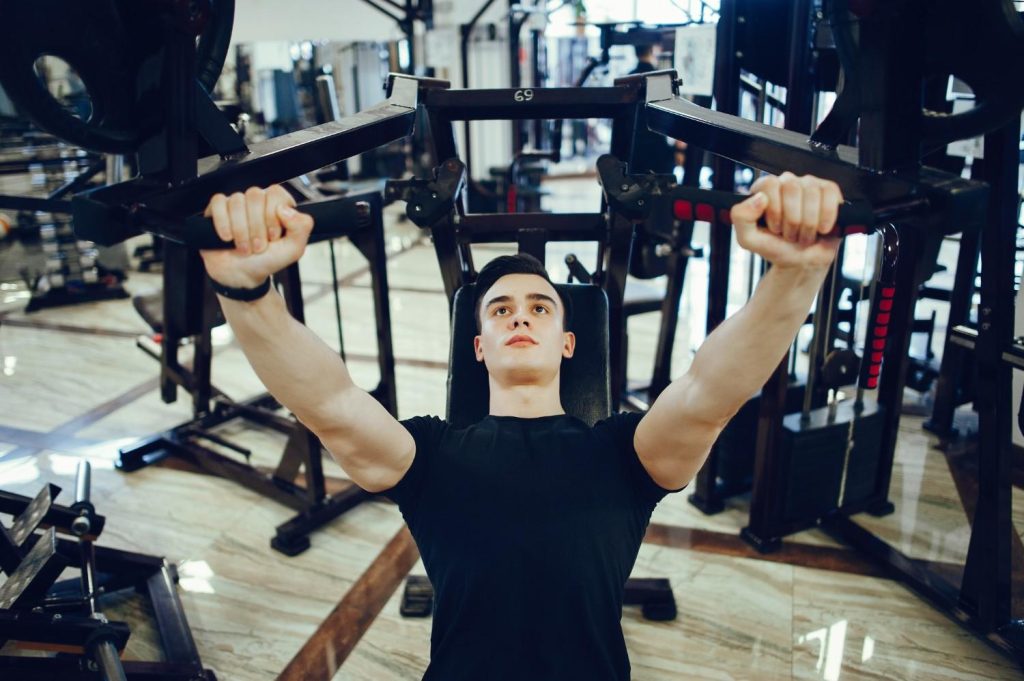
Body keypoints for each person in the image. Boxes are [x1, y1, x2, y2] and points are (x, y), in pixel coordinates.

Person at [199, 172, 843, 680]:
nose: (519, 316)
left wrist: (796, 272)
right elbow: (331, 403)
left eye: (540, 306)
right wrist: (246, 291)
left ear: (568, 342)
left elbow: (710, 391)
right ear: (478, 347)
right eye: (499, 309)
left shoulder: (626, 455)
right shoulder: (429, 456)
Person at [628, 43, 685, 174]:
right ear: (652, 50)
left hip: (633, 148)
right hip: (657, 148)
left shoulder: (628, 79)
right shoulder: (659, 79)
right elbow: (671, 117)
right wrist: (679, 149)